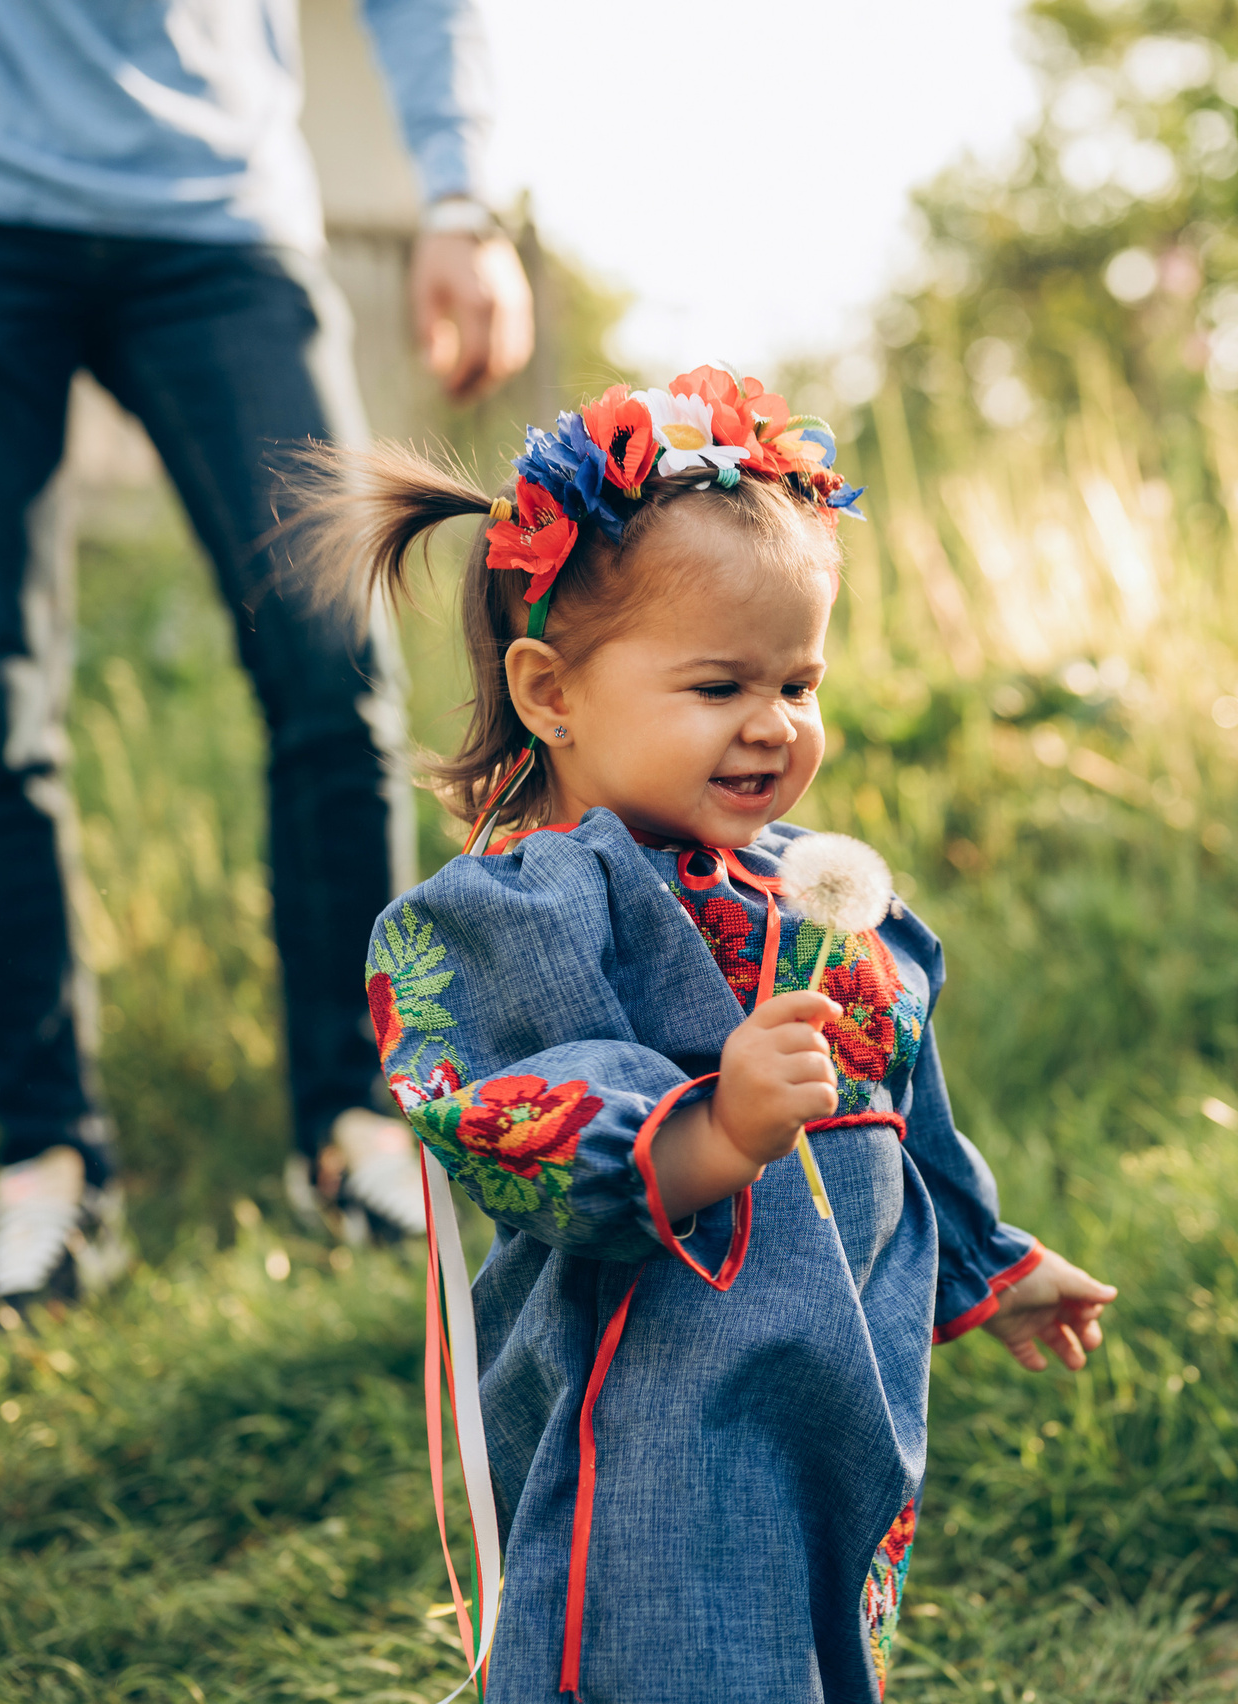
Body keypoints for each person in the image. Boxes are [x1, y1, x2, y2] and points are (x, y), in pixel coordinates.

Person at [0, 0, 533, 1305]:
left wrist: (460, 200)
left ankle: (361, 1121)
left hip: (222, 207)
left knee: (334, 663)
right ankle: (49, 1170)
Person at [330, 368, 1119, 1701]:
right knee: (662, 1649)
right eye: (717, 684)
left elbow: (900, 1104)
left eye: (799, 681)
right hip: (652, 1408)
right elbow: (517, 1127)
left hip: (834, 1385)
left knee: (809, 1648)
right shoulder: (530, 905)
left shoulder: (823, 893)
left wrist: (986, 1262)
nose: (772, 723)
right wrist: (715, 1125)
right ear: (549, 690)